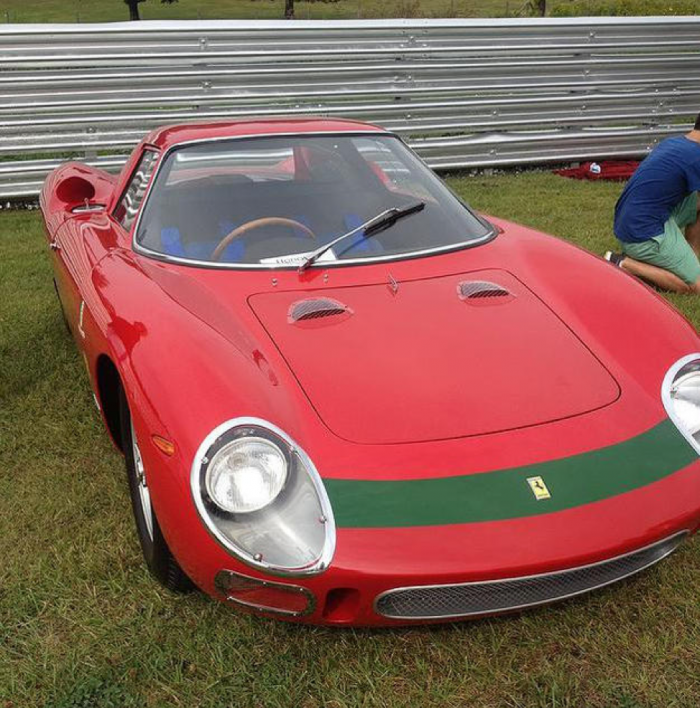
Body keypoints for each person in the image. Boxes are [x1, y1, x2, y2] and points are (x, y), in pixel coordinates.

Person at [605, 115, 700, 293]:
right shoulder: (696, 156)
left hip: (631, 222)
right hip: (642, 235)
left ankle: (691, 258)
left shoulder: (676, 143)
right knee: (695, 287)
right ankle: (624, 263)